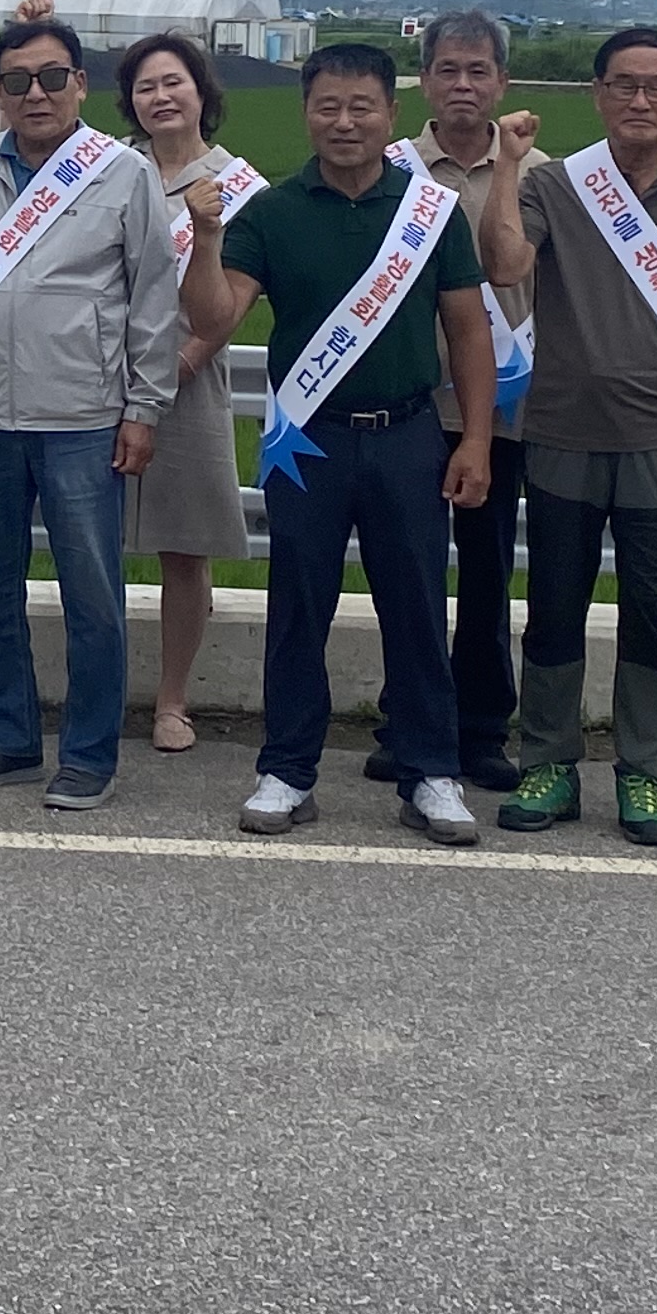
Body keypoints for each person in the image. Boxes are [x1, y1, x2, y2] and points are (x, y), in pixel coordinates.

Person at [0, 14, 194, 812]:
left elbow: (153, 297)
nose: (36, 94)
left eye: (53, 78)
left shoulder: (120, 173)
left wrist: (144, 407)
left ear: (80, 85)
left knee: (92, 596)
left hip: (85, 416)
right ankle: (6, 740)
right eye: (18, 81)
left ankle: (89, 755)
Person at [200, 43, 499, 844]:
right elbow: (216, 316)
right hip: (307, 441)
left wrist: (475, 439)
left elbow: (469, 331)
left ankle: (430, 771)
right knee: (298, 605)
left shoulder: (430, 211)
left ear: (390, 114)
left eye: (361, 106)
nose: (344, 122)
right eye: (327, 106)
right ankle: (287, 769)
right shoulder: (271, 213)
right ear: (306, 113)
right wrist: (204, 237)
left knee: (417, 606)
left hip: (408, 435)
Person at [475, 27, 657, 847]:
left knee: (656, 612)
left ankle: (646, 770)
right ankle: (548, 762)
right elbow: (504, 266)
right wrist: (506, 164)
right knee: (554, 607)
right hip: (563, 433)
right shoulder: (557, 185)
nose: (640, 101)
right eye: (623, 85)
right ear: (598, 94)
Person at [112, 32, 260, 754]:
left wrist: (175, 370)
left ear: (202, 91)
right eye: (145, 87)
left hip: (188, 384)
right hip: (98, 379)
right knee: (90, 540)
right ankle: (99, 689)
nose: (161, 97)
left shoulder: (240, 185)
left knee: (185, 549)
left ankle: (172, 700)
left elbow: (234, 300)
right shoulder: (108, 167)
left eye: (174, 82)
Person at [409, 10, 535, 790]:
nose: (463, 85)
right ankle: (411, 718)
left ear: (502, 81)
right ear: (425, 79)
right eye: (448, 70)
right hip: (411, 403)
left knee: (488, 575)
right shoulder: (392, 168)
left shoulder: (542, 171)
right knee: (411, 574)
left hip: (503, 406)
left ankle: (484, 727)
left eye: (478, 70)